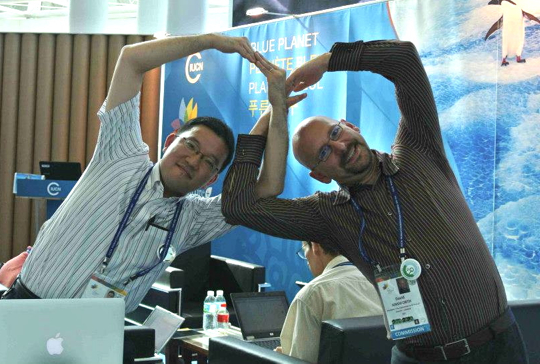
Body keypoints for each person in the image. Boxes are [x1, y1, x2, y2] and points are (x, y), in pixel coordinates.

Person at [222, 41, 528, 363]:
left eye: (335, 133)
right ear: (320, 175)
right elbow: (238, 206)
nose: (340, 147)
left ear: (350, 126)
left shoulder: (417, 151)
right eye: (324, 153)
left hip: (497, 348)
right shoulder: (328, 215)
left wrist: (326, 62)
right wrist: (271, 116)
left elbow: (404, 59)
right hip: (418, 359)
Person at [3, 34, 305, 314]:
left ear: (212, 179)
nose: (194, 160)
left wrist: (277, 110)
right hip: (25, 310)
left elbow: (269, 185)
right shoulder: (121, 156)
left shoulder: (194, 219)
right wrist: (210, 41)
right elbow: (130, 60)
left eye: (209, 162)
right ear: (170, 141)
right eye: (191, 145)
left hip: (97, 336)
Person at [276, 240, 382, 362]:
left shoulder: (312, 294)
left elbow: (301, 360)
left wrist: (283, 357)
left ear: (315, 246)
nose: (307, 262)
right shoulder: (383, 283)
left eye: (304, 251)